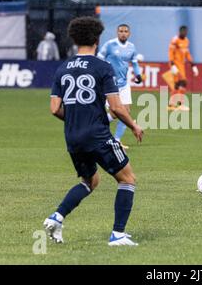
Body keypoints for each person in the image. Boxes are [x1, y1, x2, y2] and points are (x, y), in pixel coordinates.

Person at [44, 16, 144, 246]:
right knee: (127, 179)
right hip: (97, 135)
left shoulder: (63, 68)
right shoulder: (102, 67)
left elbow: (54, 109)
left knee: (90, 181)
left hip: (73, 136)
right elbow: (117, 107)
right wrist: (134, 125)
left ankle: (57, 217)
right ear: (97, 39)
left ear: (74, 38)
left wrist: (77, 119)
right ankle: (118, 235)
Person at [97, 24, 143, 150]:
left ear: (129, 33)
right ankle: (96, 127)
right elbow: (99, 58)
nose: (123, 33)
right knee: (116, 112)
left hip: (124, 84)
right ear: (117, 33)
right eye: (121, 31)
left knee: (126, 112)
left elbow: (134, 62)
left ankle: (116, 140)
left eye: (126, 31)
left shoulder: (131, 47)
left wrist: (138, 74)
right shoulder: (109, 45)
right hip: (109, 84)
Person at [167, 25, 199, 111]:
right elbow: (170, 52)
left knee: (177, 85)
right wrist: (172, 64)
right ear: (179, 32)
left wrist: (193, 65)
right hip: (175, 65)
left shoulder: (186, 41)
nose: (184, 33)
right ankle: (180, 104)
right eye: (183, 32)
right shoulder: (175, 40)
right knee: (183, 83)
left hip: (181, 65)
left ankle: (171, 105)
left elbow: (187, 54)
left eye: (186, 32)